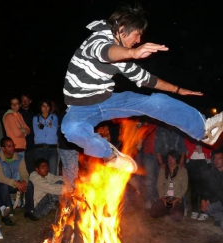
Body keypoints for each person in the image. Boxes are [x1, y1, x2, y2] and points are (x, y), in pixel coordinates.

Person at [61, 2, 223, 172]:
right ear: (122, 29)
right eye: (137, 35)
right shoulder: (97, 39)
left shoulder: (121, 58)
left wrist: (178, 89)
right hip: (80, 108)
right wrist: (133, 53)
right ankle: (110, 156)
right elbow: (104, 51)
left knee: (156, 102)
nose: (138, 41)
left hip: (109, 99)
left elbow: (146, 79)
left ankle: (204, 131)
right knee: (71, 129)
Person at [0, 137, 37, 220]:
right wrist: (16, 183)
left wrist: (24, 181)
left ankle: (29, 211)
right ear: (3, 148)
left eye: (13, 145)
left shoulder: (19, 157)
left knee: (29, 184)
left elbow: (24, 173)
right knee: (3, 186)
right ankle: (9, 212)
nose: (12, 148)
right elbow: (0, 178)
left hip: (14, 183)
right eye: (9, 146)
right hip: (2, 185)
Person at [150, 150, 188, 222]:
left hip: (176, 198)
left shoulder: (182, 171)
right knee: (153, 213)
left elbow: (184, 187)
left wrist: (176, 200)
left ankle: (171, 211)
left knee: (177, 217)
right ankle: (167, 210)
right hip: (165, 197)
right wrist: (163, 199)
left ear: (176, 159)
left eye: (172, 158)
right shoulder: (163, 169)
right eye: (168, 158)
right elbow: (159, 184)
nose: (170, 160)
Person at [185, 137, 212, 220]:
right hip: (192, 161)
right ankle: (195, 210)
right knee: (194, 186)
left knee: (204, 186)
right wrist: (200, 147)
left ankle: (204, 211)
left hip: (205, 161)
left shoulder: (207, 132)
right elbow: (187, 144)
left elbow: (210, 145)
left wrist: (198, 148)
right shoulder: (190, 132)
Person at [33, 98, 59, 175]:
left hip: (52, 149)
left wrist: (42, 127)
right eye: (43, 106)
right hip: (39, 149)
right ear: (40, 107)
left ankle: (52, 187)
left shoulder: (54, 117)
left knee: (52, 173)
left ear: (50, 107)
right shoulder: (36, 118)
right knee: (40, 174)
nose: (45, 108)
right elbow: (37, 133)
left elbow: (54, 131)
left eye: (47, 106)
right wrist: (48, 127)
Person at [200, 148, 223, 230]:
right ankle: (219, 217)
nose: (216, 161)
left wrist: (209, 200)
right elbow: (205, 187)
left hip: (220, 200)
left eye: (219, 158)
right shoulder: (213, 172)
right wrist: (203, 199)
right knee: (206, 208)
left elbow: (221, 193)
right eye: (215, 158)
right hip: (220, 203)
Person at [19, 93, 35, 174]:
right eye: (23, 100)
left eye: (26, 100)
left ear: (30, 101)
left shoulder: (33, 115)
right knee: (20, 168)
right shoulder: (17, 114)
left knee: (31, 167)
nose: (24, 102)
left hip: (31, 145)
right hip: (19, 145)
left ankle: (31, 185)